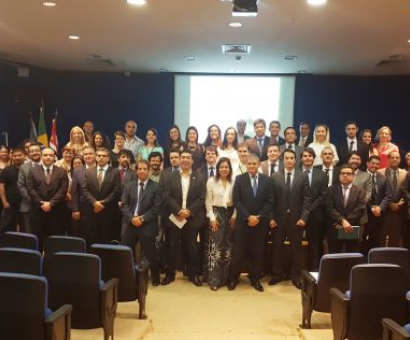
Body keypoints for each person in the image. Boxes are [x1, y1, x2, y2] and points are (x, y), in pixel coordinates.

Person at [228, 154, 273, 292]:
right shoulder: (239, 179)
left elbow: (270, 201)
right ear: (246, 165)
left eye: (254, 164)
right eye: (249, 164)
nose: (252, 166)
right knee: (238, 252)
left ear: (259, 164)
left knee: (258, 252)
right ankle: (234, 278)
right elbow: (236, 200)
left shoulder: (267, 180)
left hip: (260, 224)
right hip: (243, 222)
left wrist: (258, 217)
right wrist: (248, 217)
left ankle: (255, 279)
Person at [162, 149, 206, 286]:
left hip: (192, 218)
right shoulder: (170, 177)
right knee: (171, 246)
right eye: (183, 157)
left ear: (192, 161)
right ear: (180, 160)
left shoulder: (199, 177)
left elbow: (201, 197)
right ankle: (170, 274)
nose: (185, 160)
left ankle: (193, 275)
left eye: (188, 157)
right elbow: (167, 197)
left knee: (192, 247)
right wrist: (179, 210)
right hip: (175, 217)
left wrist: (189, 211)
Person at [270, 149, 311, 289]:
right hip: (278, 219)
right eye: (286, 158)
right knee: (277, 248)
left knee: (296, 250)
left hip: (296, 220)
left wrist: (304, 218)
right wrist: (270, 217)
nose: (289, 160)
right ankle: (277, 275)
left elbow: (307, 199)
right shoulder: (275, 176)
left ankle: (297, 276)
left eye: (291, 158)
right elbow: (271, 200)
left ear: (296, 160)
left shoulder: (302, 176)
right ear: (283, 160)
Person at [121, 160, 161, 286]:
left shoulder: (156, 186)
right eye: (140, 169)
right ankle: (126, 276)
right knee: (125, 250)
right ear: (136, 170)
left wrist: (142, 219)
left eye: (145, 169)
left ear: (149, 171)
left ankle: (155, 277)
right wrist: (132, 218)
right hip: (131, 223)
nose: (142, 171)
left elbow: (156, 208)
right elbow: (124, 204)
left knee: (151, 254)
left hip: (147, 224)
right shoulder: (129, 185)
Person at [27, 148, 69, 252]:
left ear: (54, 157)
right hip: (37, 211)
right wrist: (41, 203)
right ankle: (36, 264)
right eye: (45, 155)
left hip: (56, 212)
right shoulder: (32, 171)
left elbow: (63, 190)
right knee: (37, 241)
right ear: (41, 156)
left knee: (55, 242)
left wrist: (51, 203)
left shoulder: (62, 172)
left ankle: (54, 264)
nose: (48, 157)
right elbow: (30, 189)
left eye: (50, 155)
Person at [203, 157, 236, 291]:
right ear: (217, 168)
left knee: (227, 249)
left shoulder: (234, 181)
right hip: (216, 214)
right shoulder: (211, 181)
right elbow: (208, 201)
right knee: (215, 248)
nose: (224, 169)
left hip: (231, 215)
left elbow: (238, 200)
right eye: (221, 167)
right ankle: (214, 279)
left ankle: (225, 279)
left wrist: (234, 216)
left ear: (229, 168)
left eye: (226, 167)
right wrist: (211, 218)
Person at [82, 147, 121, 245]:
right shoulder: (89, 171)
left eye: (104, 156)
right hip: (92, 211)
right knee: (91, 239)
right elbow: (85, 189)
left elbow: (116, 191)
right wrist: (94, 203)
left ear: (108, 158)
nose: (101, 158)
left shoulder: (115, 172)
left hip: (107, 212)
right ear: (95, 157)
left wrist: (102, 203)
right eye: (99, 155)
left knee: (106, 239)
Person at [326, 164, 366, 253]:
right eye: (342, 173)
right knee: (334, 257)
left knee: (351, 256)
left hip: (351, 228)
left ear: (353, 176)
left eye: (348, 173)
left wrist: (345, 222)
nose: (345, 175)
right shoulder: (331, 190)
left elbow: (360, 209)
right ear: (339, 175)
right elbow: (330, 208)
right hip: (335, 228)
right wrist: (342, 221)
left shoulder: (360, 191)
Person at [300, 147, 328, 271]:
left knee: (314, 245)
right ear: (301, 158)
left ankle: (314, 270)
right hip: (298, 215)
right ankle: (296, 270)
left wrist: (309, 209)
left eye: (310, 156)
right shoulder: (295, 172)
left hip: (315, 215)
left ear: (313, 158)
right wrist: (303, 212)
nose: (307, 158)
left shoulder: (321, 174)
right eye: (305, 156)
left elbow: (323, 195)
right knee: (297, 245)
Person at [377, 151, 407, 247]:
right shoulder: (380, 172)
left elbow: (407, 191)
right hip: (384, 211)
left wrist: (399, 204)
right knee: (380, 238)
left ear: (400, 160)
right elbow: (378, 192)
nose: (395, 159)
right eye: (392, 157)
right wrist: (389, 204)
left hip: (399, 211)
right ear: (388, 159)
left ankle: (392, 260)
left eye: (397, 158)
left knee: (395, 239)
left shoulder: (405, 173)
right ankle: (379, 260)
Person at [362, 155, 391, 253]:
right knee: (362, 239)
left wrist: (380, 207)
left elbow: (388, 195)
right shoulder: (360, 176)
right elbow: (360, 196)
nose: (375, 165)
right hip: (364, 214)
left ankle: (373, 262)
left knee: (376, 239)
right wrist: (372, 208)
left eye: (377, 164)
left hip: (379, 214)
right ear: (368, 163)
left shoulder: (383, 178)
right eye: (373, 163)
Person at [71, 146, 96, 238]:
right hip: (84, 209)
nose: (88, 156)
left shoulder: (102, 169)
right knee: (85, 234)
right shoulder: (77, 171)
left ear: (95, 155)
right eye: (85, 154)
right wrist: (75, 209)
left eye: (90, 154)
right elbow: (75, 192)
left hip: (99, 207)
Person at [0, 148, 26, 236]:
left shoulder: (29, 169)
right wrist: (4, 202)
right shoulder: (6, 170)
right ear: (12, 157)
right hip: (9, 205)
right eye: (15, 156)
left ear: (24, 156)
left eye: (20, 155)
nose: (17, 157)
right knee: (6, 228)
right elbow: (1, 186)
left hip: (26, 205)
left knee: (25, 229)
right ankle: (6, 247)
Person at [17, 142, 42, 233]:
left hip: (46, 206)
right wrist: (33, 199)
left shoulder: (48, 165)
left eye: (37, 150)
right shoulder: (23, 167)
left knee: (45, 234)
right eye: (32, 151)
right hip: (28, 205)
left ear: (40, 151)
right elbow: (21, 185)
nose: (34, 153)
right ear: (28, 153)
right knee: (29, 234)